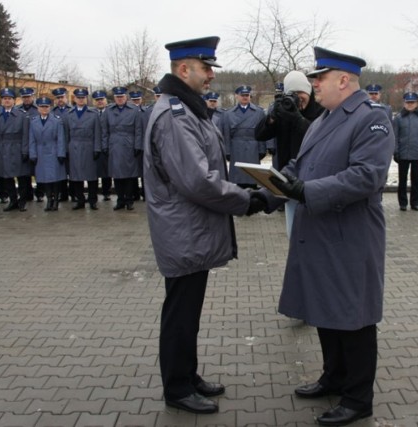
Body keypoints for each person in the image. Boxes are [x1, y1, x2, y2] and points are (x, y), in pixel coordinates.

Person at [262, 46, 394, 426]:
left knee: (353, 317)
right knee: (326, 310)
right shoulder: (322, 120)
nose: (313, 83)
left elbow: (367, 176)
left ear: (342, 80)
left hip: (349, 236)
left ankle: (357, 398)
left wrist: (306, 192)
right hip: (319, 232)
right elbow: (297, 167)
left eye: (319, 77)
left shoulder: (372, 119)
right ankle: (333, 377)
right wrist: (268, 189)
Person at [143, 35, 264, 414]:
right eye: (206, 68)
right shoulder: (175, 116)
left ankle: (187, 375)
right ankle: (177, 388)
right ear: (183, 70)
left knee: (187, 312)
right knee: (180, 313)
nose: (211, 75)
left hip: (190, 229)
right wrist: (247, 200)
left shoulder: (187, 109)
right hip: (184, 231)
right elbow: (196, 180)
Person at [255, 70, 324, 236]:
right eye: (292, 94)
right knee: (293, 232)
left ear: (309, 91)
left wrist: (297, 119)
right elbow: (259, 135)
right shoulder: (284, 111)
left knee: (314, 232)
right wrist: (272, 117)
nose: (298, 98)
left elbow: (318, 138)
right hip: (287, 178)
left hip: (313, 181)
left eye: (301, 93)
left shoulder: (321, 111)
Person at [0, 88, 32, 212]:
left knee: (22, 177)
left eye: (9, 99)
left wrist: (25, 151)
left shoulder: (22, 115)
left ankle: (22, 201)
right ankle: (13, 200)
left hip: (17, 147)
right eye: (4, 99)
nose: (7, 101)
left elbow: (25, 135)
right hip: (3, 149)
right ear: (1, 100)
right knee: (7, 177)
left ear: (14, 101)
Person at [101, 86, 143, 210]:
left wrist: (138, 145)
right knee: (117, 175)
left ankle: (129, 200)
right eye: (117, 97)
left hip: (129, 145)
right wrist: (104, 146)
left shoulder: (134, 110)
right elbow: (104, 131)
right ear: (114, 98)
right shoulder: (108, 111)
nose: (120, 99)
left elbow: (138, 130)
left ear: (126, 97)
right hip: (114, 145)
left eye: (122, 97)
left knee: (129, 175)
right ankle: (120, 200)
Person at [63, 88, 102, 210]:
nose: (81, 100)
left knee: (91, 176)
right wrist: (66, 150)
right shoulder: (68, 115)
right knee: (76, 176)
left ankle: (92, 200)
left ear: (86, 99)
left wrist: (97, 148)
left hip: (89, 146)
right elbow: (66, 134)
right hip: (74, 146)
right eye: (78, 98)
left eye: (83, 98)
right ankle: (79, 199)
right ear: (74, 99)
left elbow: (97, 133)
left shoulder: (93, 114)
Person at [393, 91, 418, 211]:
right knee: (402, 180)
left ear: (416, 103)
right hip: (403, 153)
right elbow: (395, 136)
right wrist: (395, 151)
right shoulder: (399, 118)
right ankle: (403, 203)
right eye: (408, 102)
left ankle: (415, 202)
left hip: (417, 153)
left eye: (412, 102)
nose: (410, 105)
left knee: (416, 180)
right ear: (404, 103)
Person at [222, 85, 266, 188]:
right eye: (242, 95)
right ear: (237, 96)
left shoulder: (259, 112)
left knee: (253, 177)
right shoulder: (228, 114)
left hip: (253, 149)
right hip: (236, 149)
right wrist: (227, 151)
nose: (245, 97)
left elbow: (262, 132)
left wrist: (262, 149)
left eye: (247, 95)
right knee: (239, 179)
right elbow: (226, 134)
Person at [28, 96, 67, 211]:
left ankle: (55, 201)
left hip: (53, 151)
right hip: (40, 153)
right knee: (44, 179)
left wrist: (61, 153)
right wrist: (33, 154)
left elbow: (61, 138)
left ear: (50, 107)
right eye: (42, 107)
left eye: (46, 106)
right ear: (38, 108)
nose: (44, 109)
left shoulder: (57, 120)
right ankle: (49, 199)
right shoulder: (33, 121)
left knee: (55, 178)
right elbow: (32, 139)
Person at [18, 87, 43, 202]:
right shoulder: (17, 110)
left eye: (28, 97)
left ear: (32, 97)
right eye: (24, 97)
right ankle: (27, 193)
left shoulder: (38, 109)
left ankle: (40, 193)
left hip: (37, 144)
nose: (26, 99)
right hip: (21, 144)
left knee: (38, 171)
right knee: (24, 172)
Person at [52, 87, 73, 202]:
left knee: (73, 171)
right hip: (57, 147)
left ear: (66, 97)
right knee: (60, 171)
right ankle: (62, 194)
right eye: (58, 98)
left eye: (62, 97)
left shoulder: (72, 110)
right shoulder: (52, 112)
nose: (60, 99)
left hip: (71, 145)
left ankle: (74, 193)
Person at [92, 90, 112, 201]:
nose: (100, 102)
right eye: (97, 100)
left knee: (106, 171)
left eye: (102, 99)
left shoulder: (110, 112)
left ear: (106, 100)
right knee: (93, 171)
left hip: (107, 146)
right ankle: (93, 193)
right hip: (94, 146)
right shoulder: (91, 113)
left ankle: (106, 191)